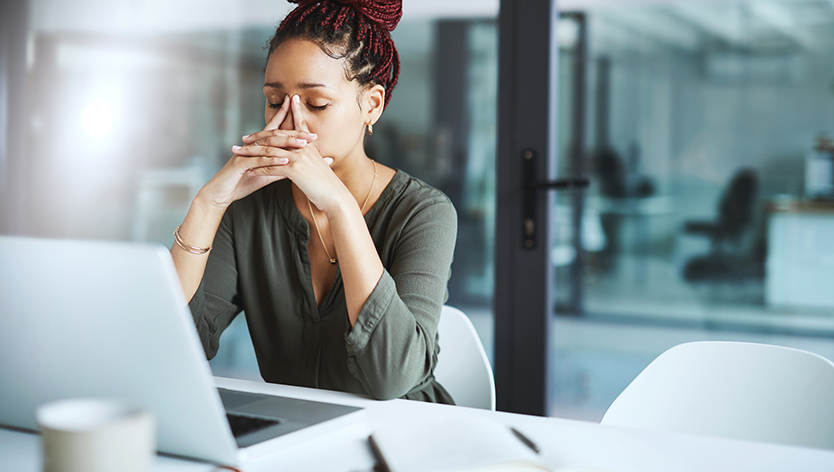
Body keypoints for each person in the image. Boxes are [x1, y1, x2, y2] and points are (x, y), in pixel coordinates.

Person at [170, 0, 457, 404]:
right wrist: (207, 204)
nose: (291, 122)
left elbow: (391, 379)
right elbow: (176, 348)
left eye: (317, 104)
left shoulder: (424, 213)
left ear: (371, 105)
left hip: (404, 434)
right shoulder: (250, 209)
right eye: (274, 101)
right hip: (298, 434)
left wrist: (339, 205)